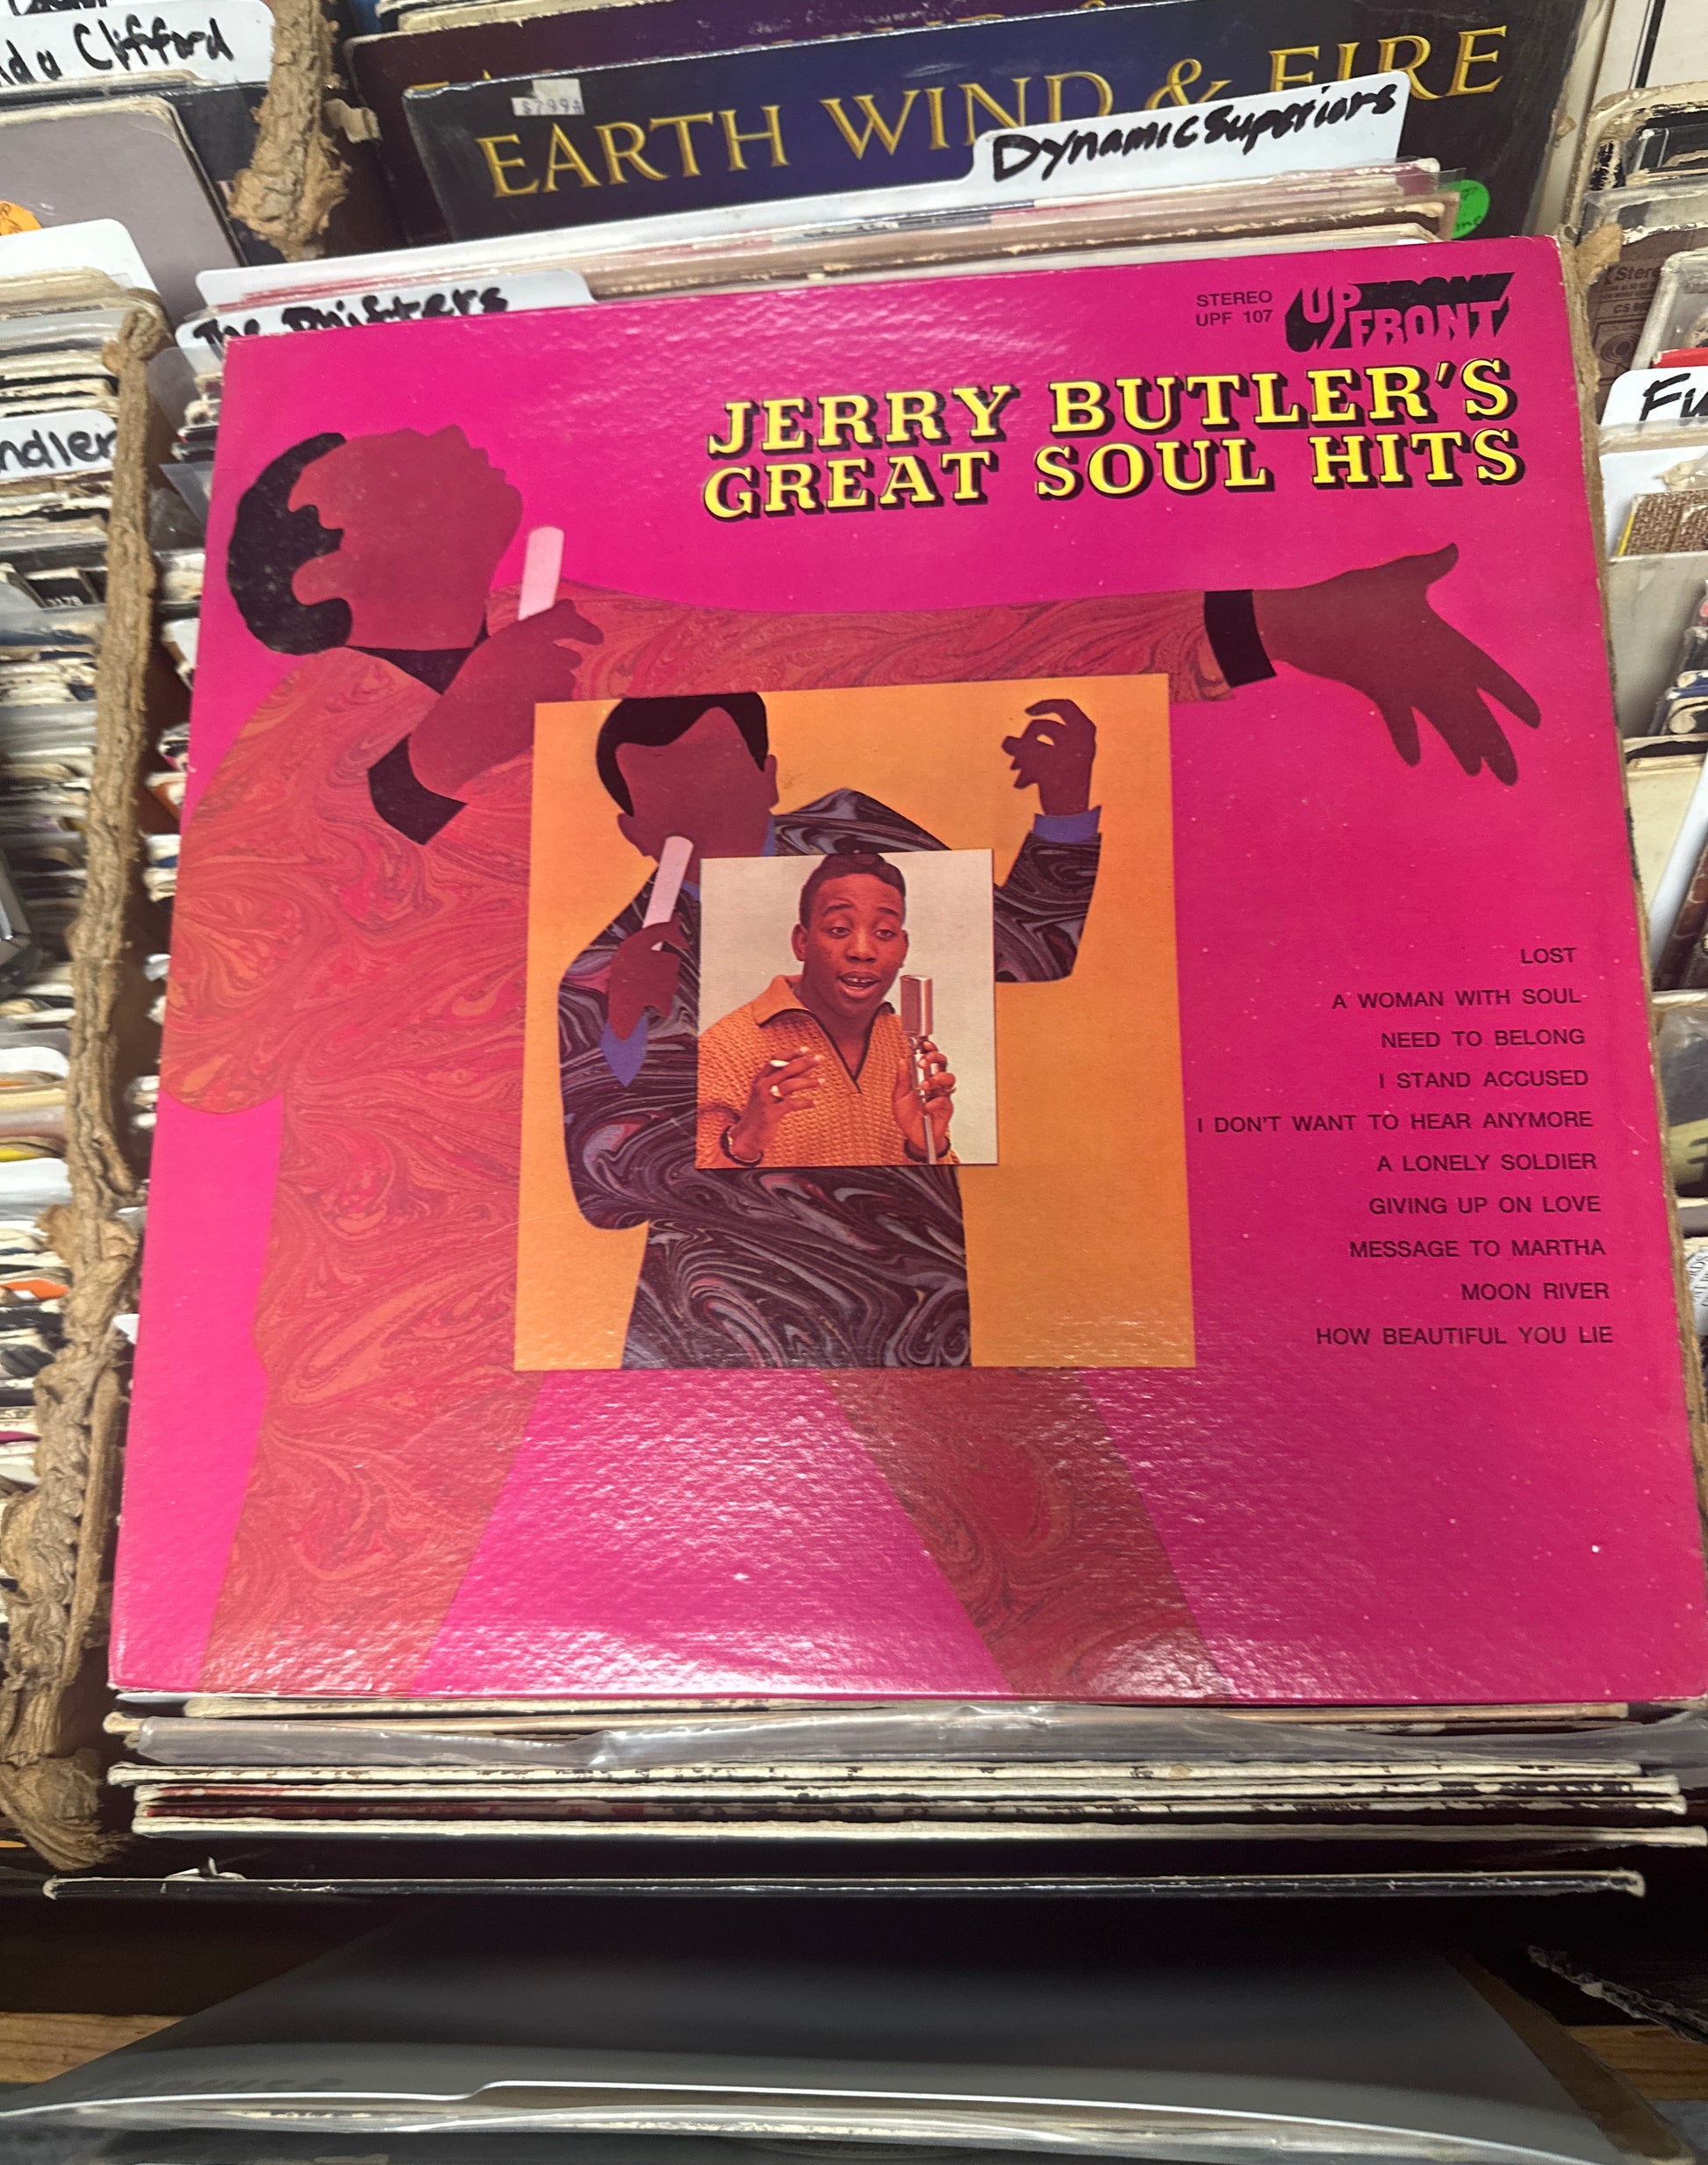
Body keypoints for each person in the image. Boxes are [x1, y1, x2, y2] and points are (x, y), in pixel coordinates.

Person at [155, 421, 1539, 1696]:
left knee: (1065, 1577)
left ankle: (1192, 1781)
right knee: (320, 1644)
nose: (441, 430)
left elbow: (917, 657)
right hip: (407, 1265)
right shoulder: (296, 743)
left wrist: (1269, 623)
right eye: (382, 459)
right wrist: (437, 763)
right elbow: (218, 1054)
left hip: (834, 1217)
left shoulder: (604, 647)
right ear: (325, 566)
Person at [563, 695, 1097, 1364]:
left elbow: (1030, 952)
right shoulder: (603, 971)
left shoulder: (854, 844)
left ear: (769, 777)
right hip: (714, 1317)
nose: (705, 813)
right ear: (636, 831)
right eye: (673, 802)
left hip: (910, 1302)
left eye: (722, 780)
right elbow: (605, 1199)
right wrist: (623, 1031)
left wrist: (1065, 809)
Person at [696, 851, 956, 1173]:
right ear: (802, 942)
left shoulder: (907, 1044)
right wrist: (745, 1143)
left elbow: (949, 1197)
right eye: (839, 929)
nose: (862, 951)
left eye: (884, 933)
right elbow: (684, 1194)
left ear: (903, 948)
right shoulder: (722, 1050)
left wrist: (927, 1146)